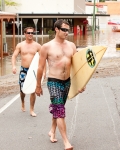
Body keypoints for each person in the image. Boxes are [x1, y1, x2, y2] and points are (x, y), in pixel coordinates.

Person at [35, 19, 85, 150]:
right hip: (54, 81)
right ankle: (66, 141)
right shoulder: (46, 47)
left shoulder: (72, 46)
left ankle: (52, 130)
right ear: (56, 29)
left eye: (68, 30)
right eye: (64, 30)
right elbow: (40, 67)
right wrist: (38, 85)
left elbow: (77, 66)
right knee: (60, 111)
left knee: (59, 108)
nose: (66, 32)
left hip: (67, 81)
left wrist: (80, 83)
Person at [12, 27, 42, 117]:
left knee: (33, 90)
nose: (30, 34)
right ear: (24, 34)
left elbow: (43, 59)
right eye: (28, 33)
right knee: (22, 90)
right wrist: (13, 66)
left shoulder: (37, 46)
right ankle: (22, 102)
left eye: (32, 33)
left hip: (33, 71)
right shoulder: (20, 45)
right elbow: (14, 56)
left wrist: (43, 71)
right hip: (23, 70)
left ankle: (32, 109)